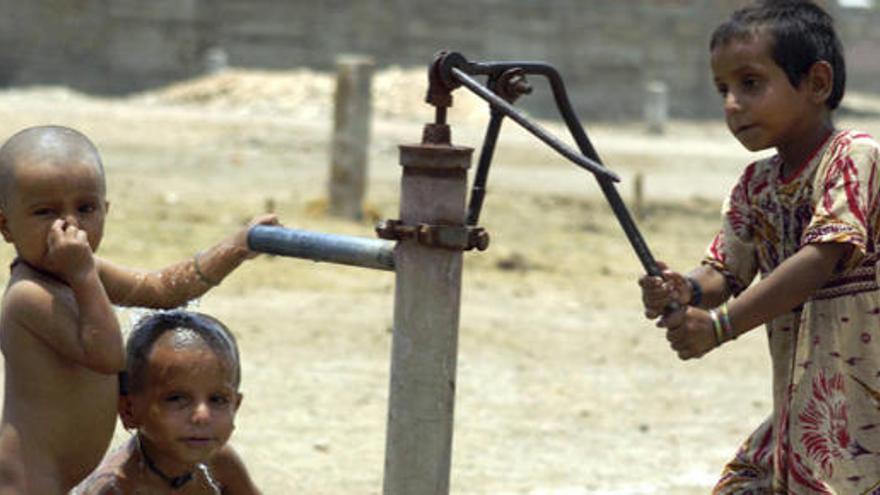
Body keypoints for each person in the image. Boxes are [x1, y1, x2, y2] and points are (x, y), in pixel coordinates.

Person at [638, 1, 880, 493]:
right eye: (723, 90)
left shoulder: (853, 156)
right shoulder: (756, 184)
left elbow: (818, 259)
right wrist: (683, 290)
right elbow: (723, 271)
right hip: (802, 410)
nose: (732, 104)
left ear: (816, 83)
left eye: (750, 84)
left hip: (862, 411)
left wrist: (721, 327)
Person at [0, 125, 278, 494]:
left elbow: (159, 289)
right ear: (5, 225)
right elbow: (109, 356)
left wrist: (235, 248)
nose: (69, 225)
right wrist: (83, 274)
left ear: (106, 210)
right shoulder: (28, 296)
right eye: (45, 212)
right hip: (29, 481)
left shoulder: (81, 271)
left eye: (86, 208)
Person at [74, 310, 259, 494]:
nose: (202, 415)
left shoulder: (220, 462)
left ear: (235, 407)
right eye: (176, 398)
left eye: (217, 399)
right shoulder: (116, 488)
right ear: (129, 410)